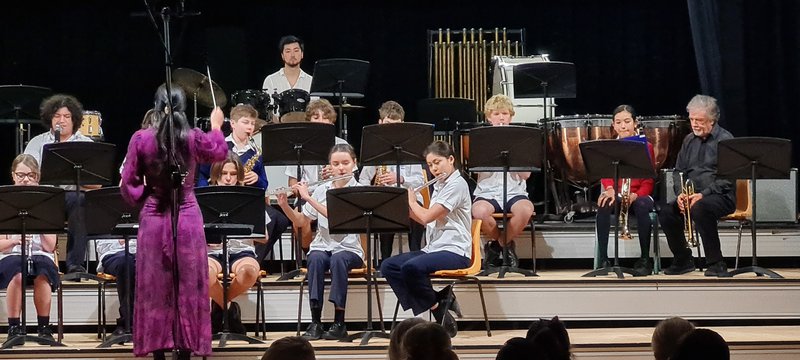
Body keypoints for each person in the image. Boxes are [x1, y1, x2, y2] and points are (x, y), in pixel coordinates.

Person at [120, 84, 227, 359]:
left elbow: (128, 184)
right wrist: (216, 125)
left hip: (155, 216)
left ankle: (157, 351)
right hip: (188, 215)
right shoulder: (192, 137)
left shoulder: (141, 139)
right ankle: (186, 350)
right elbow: (218, 152)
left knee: (155, 285)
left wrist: (148, 193)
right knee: (189, 283)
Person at [381, 141, 472, 338]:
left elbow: (425, 217)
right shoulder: (440, 184)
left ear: (451, 159)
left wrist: (413, 201)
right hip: (435, 247)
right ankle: (437, 303)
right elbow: (424, 217)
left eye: (437, 162)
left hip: (455, 249)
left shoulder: (457, 184)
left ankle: (436, 310)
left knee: (411, 268)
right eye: (430, 165)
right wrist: (401, 207)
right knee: (388, 266)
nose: (434, 169)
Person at [275, 144, 364, 341]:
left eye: (345, 163)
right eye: (336, 164)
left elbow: (337, 217)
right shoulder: (322, 189)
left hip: (350, 249)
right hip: (324, 246)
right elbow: (302, 221)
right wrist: (284, 206)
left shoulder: (358, 190)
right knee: (314, 257)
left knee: (338, 259)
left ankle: (339, 322)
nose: (341, 168)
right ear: (329, 166)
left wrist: (306, 197)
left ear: (354, 164)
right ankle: (315, 322)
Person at [197, 104, 290, 267]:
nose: (250, 127)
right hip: (220, 197)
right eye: (245, 122)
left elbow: (264, 183)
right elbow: (203, 173)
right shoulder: (220, 146)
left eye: (252, 124)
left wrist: (256, 178)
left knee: (279, 219)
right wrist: (210, 193)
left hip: (247, 200)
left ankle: (254, 258)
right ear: (233, 124)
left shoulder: (255, 152)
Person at [658, 95, 735, 277]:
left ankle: (716, 262)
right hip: (691, 195)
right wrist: (681, 195)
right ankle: (683, 259)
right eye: (691, 119)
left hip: (720, 196)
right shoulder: (688, 140)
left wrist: (703, 194)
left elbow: (728, 178)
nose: (694, 124)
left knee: (700, 208)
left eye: (699, 120)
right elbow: (678, 172)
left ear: (712, 120)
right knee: (666, 212)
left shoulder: (726, 140)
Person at [23, 94, 95, 274]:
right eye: (57, 116)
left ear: (74, 120)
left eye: (66, 116)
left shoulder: (86, 144)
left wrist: (74, 177)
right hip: (44, 196)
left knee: (79, 199)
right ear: (50, 119)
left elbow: (96, 186)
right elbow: (25, 175)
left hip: (71, 197)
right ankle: (32, 262)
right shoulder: (37, 142)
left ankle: (74, 265)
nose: (61, 120)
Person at [0, 154, 60, 342]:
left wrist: (38, 219)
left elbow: (50, 247)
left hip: (40, 252)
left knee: (43, 271)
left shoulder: (49, 203)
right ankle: (14, 328)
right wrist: (15, 242)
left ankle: (44, 327)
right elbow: (0, 246)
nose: (26, 179)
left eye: (31, 175)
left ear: (38, 177)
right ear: (13, 176)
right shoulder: (3, 201)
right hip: (12, 253)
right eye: (21, 175)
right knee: (16, 271)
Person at [471, 94, 535, 269]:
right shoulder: (480, 140)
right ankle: (506, 246)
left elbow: (526, 175)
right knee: (479, 212)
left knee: (526, 210)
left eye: (505, 114)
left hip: (515, 191)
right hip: (488, 192)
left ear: (511, 116)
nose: (501, 117)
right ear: (489, 117)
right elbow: (475, 169)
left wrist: (512, 156)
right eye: (497, 114)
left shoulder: (521, 140)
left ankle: (497, 245)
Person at [357, 101, 426, 261]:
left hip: (410, 198)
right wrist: (372, 190)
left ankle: (416, 255)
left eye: (396, 126)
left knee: (415, 210)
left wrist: (400, 179)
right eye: (388, 125)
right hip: (385, 199)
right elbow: (363, 180)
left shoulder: (411, 149)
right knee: (384, 211)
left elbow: (419, 180)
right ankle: (384, 260)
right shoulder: (374, 150)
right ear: (380, 123)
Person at [595, 105, 656, 276]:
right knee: (604, 203)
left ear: (635, 123)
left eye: (627, 122)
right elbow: (606, 174)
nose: (623, 126)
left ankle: (645, 259)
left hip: (639, 195)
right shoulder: (610, 146)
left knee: (643, 206)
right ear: (613, 125)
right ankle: (604, 259)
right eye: (619, 122)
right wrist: (610, 189)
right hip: (618, 193)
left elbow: (648, 179)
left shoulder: (646, 146)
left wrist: (637, 195)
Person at [206, 152, 262, 335]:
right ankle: (230, 311)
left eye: (233, 174)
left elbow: (264, 237)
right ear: (216, 175)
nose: (228, 179)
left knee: (249, 272)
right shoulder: (203, 198)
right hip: (212, 251)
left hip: (241, 250)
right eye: (224, 174)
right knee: (203, 274)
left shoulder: (250, 197)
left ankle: (220, 308)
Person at [284, 98, 350, 248]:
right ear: (309, 121)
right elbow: (292, 183)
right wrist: (299, 189)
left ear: (332, 122)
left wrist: (336, 175)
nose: (321, 121)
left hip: (335, 195)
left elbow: (351, 179)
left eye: (325, 118)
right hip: (309, 195)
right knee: (300, 221)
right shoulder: (298, 147)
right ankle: (309, 255)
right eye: (316, 117)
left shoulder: (341, 145)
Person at [95, 238, 137, 337]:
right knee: (126, 263)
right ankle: (127, 322)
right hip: (114, 255)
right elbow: (102, 247)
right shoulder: (107, 223)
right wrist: (121, 242)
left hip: (146, 252)